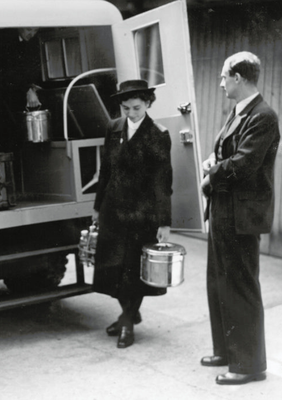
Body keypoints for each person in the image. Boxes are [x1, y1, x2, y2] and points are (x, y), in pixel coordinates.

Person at [199, 51, 280, 385]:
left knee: (240, 286)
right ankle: (226, 351)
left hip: (241, 215)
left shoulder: (263, 116)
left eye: (223, 77)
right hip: (224, 210)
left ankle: (248, 366)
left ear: (238, 77)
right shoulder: (240, 111)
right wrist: (212, 159)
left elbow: (244, 164)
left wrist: (210, 174)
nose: (221, 84)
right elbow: (227, 153)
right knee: (219, 281)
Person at [92, 79, 172, 349]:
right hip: (113, 210)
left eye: (136, 108)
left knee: (132, 271)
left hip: (142, 215)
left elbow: (163, 181)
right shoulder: (113, 128)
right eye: (126, 108)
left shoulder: (158, 134)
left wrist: (164, 221)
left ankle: (127, 322)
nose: (131, 113)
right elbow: (105, 170)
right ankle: (129, 313)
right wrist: (97, 206)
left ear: (148, 103)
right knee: (111, 269)